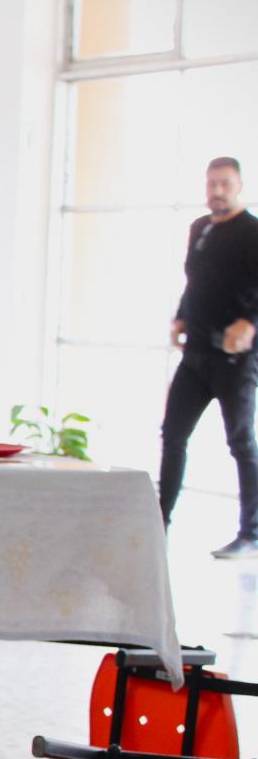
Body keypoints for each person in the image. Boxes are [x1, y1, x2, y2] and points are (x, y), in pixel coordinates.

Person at [161, 156, 258, 558]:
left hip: (234, 359)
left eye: (224, 184)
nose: (216, 191)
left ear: (239, 186)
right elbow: (194, 281)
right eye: (211, 184)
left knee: (241, 442)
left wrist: (250, 323)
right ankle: (160, 521)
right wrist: (181, 316)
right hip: (196, 355)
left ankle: (251, 534)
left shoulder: (252, 232)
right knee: (173, 435)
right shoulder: (199, 228)